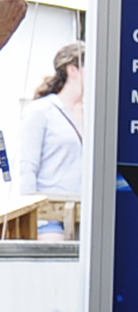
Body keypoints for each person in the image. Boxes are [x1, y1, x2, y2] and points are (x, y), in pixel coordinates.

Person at [12, 40, 90, 209]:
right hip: (50, 211)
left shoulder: (92, 113)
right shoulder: (41, 110)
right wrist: (30, 213)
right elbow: (27, 168)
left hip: (85, 211)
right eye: (90, 67)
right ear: (73, 70)